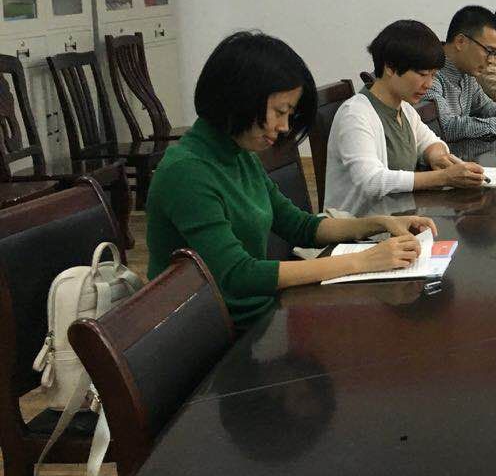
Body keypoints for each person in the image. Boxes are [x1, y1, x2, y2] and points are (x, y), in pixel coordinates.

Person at [145, 31, 438, 328]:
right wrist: (362, 261)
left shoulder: (239, 153)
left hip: (259, 313)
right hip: (216, 333)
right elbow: (239, 275)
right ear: (239, 99)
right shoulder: (187, 171)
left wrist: (379, 224)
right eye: (279, 112)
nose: (285, 126)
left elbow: (299, 226)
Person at [325, 20, 488, 214]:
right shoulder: (356, 114)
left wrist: (437, 155)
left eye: (433, 75)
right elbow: (372, 181)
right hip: (359, 228)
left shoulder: (404, 108)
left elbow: (431, 142)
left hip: (397, 220)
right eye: (422, 74)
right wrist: (444, 177)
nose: (428, 84)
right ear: (390, 67)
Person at [424, 5, 496, 141]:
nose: (492, 60)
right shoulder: (429, 73)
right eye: (489, 51)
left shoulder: (467, 73)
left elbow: (485, 107)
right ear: (460, 42)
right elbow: (445, 128)